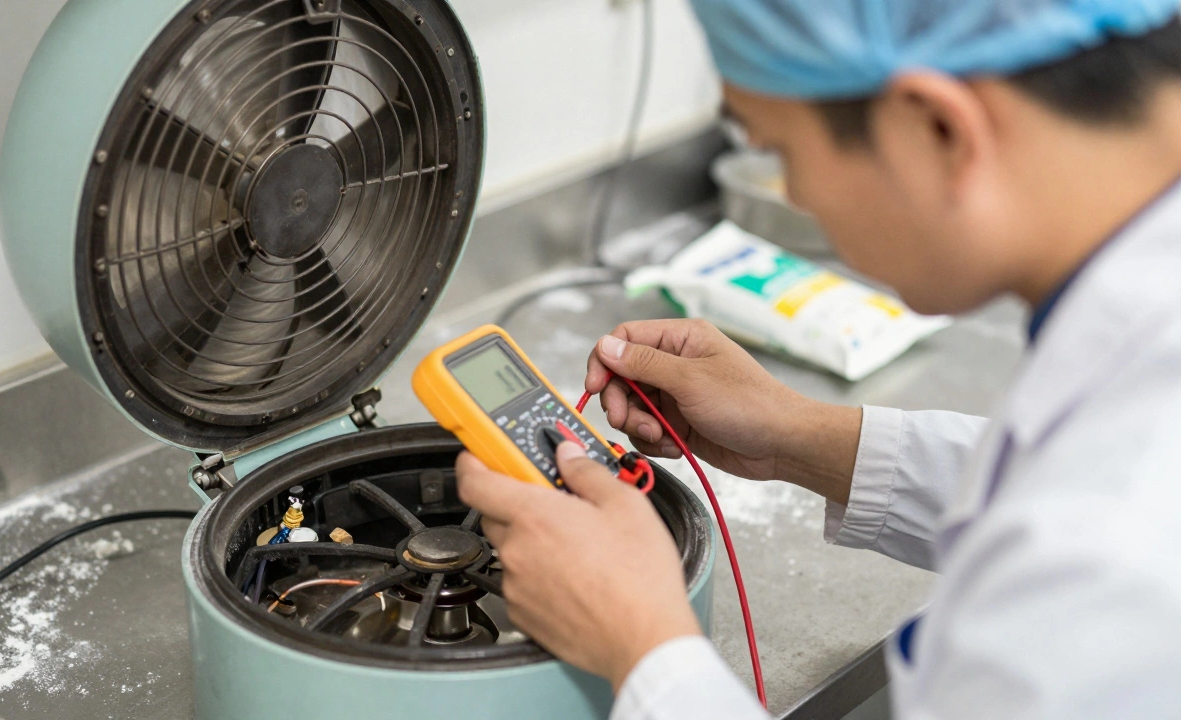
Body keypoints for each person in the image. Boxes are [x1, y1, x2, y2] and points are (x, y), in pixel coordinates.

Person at [456, 0, 1181, 718]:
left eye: (780, 151)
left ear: (937, 128)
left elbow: (1078, 524)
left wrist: (642, 645)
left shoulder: (1106, 555)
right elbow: (1041, 480)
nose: (796, 195)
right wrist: (801, 436)